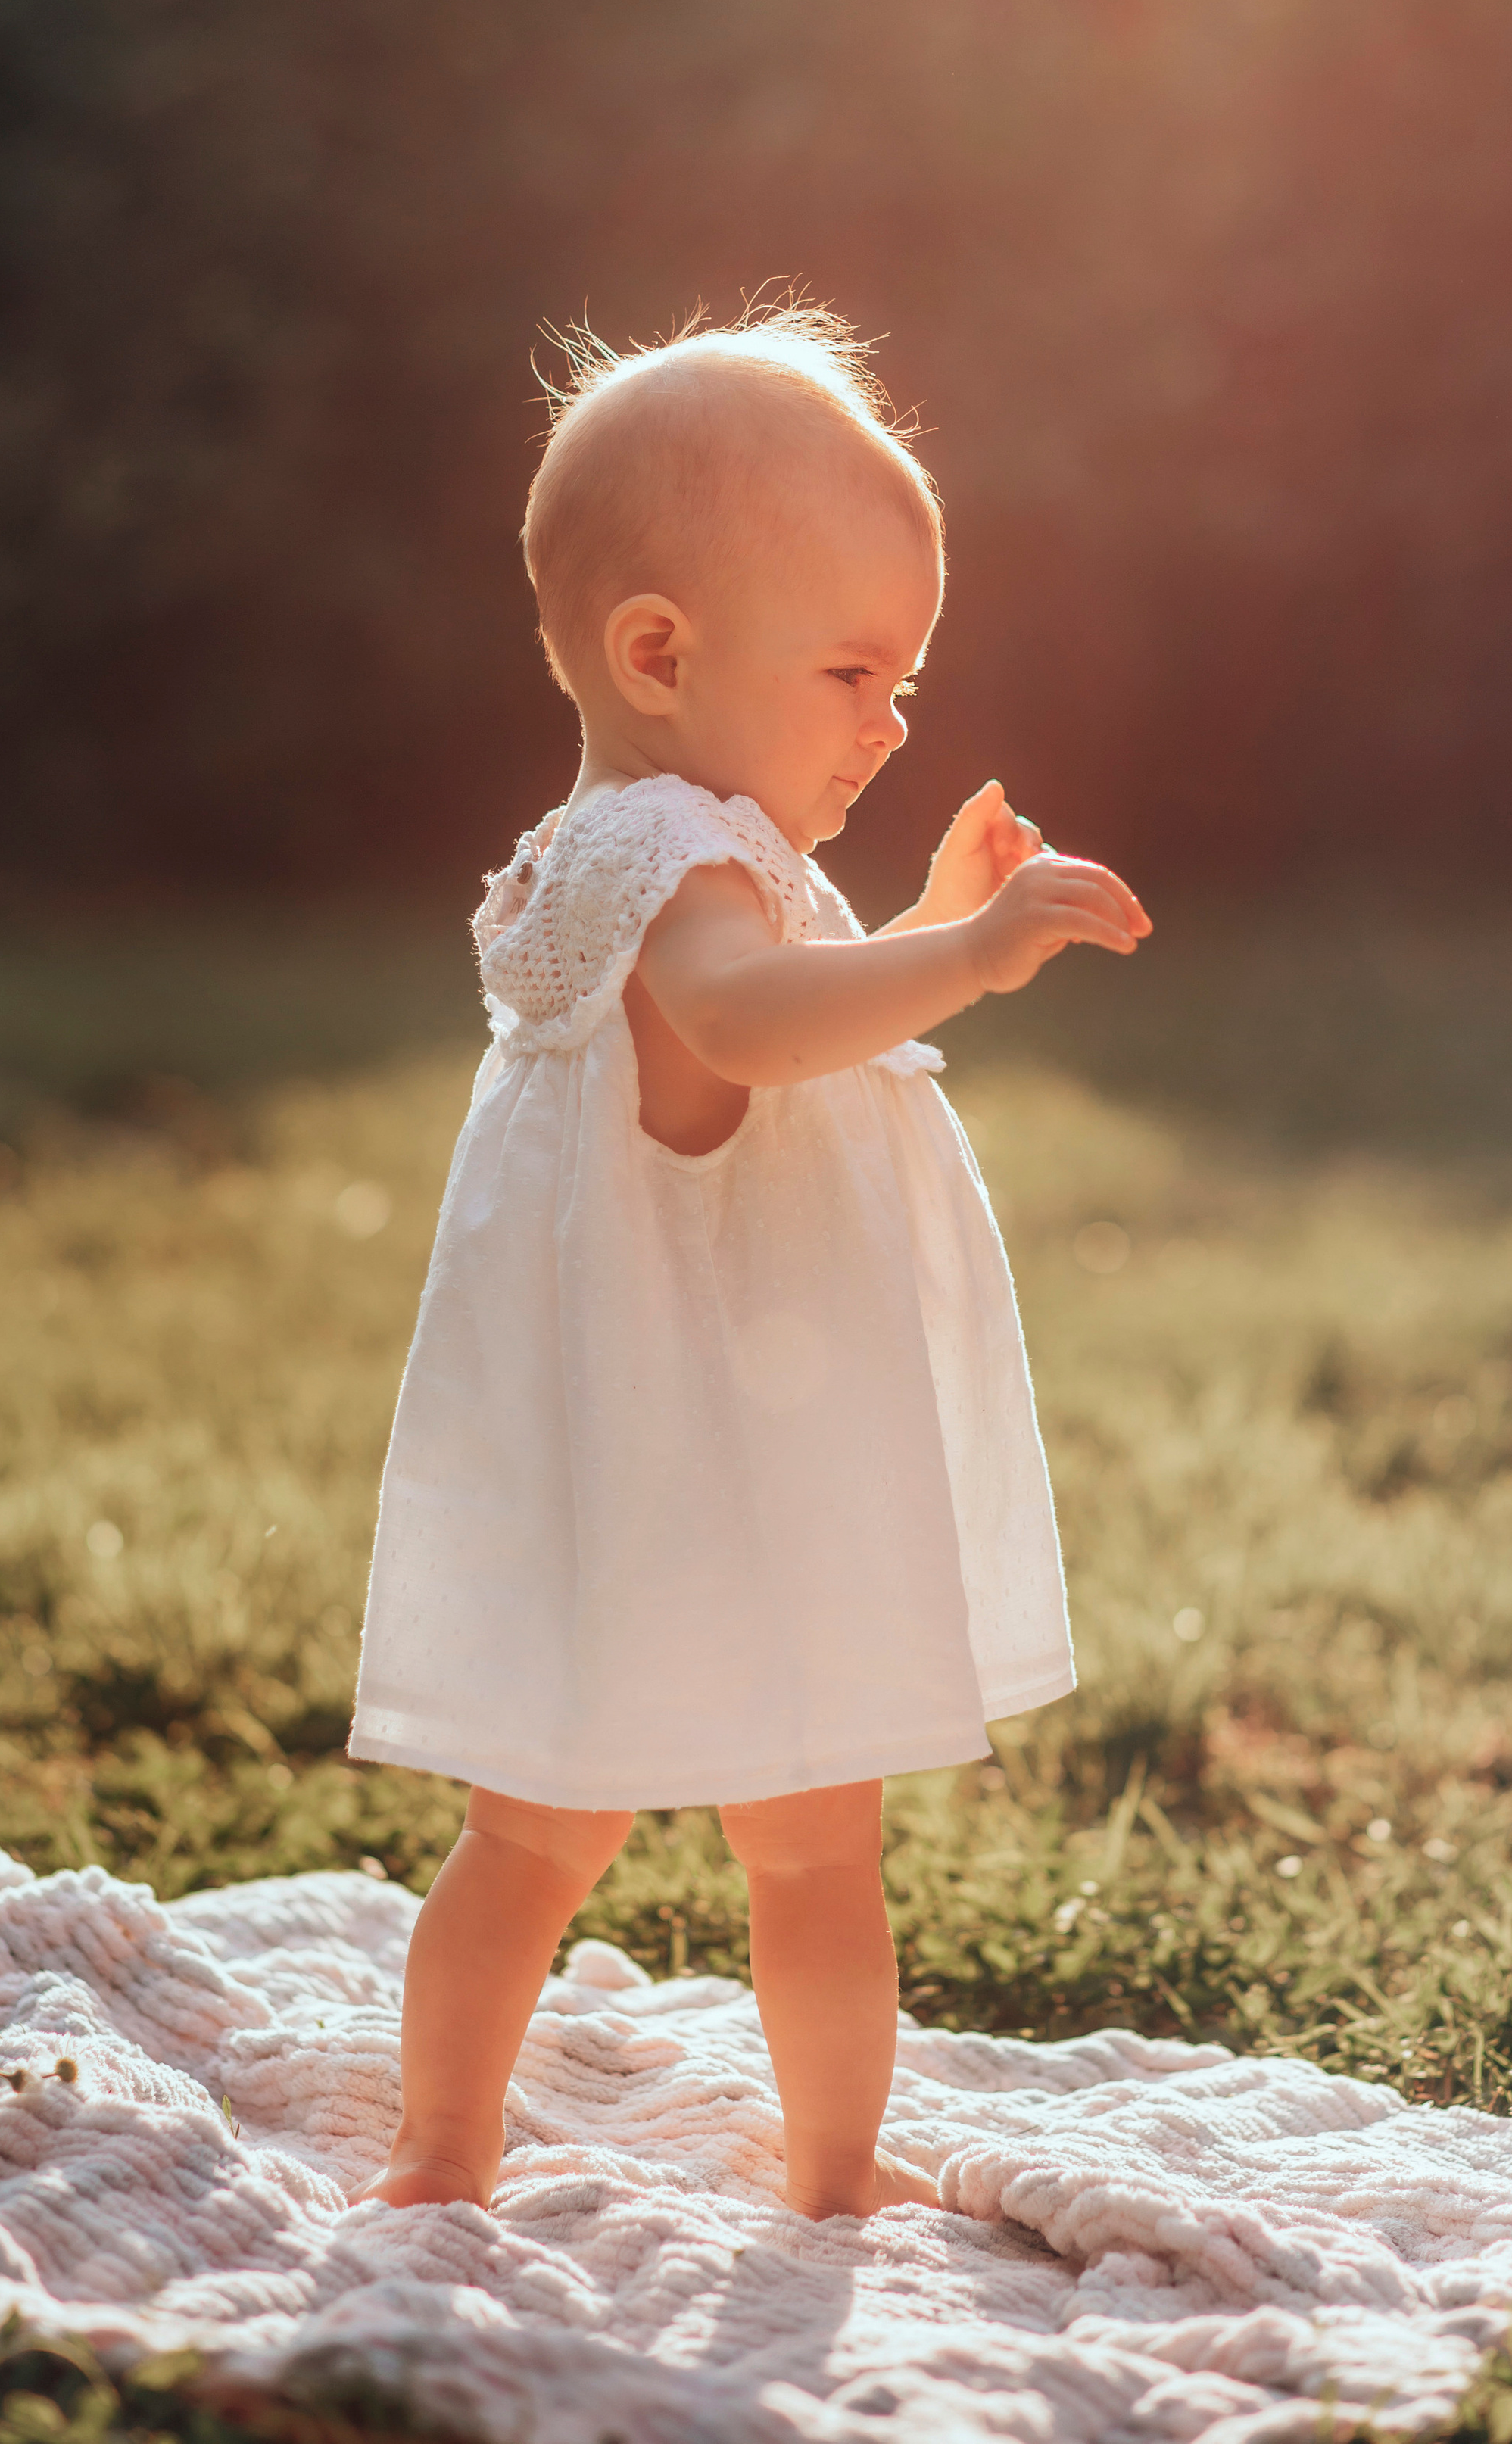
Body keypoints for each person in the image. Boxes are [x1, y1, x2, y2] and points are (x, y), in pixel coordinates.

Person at [347, 304, 1149, 2220]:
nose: (890, 719)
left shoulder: (697, 841)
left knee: (784, 1844)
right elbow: (748, 1025)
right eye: (854, 667)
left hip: (725, 1434)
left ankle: (833, 2163)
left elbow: (798, 998)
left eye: (907, 674)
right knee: (552, 1832)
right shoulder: (656, 859)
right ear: (657, 652)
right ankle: (443, 2151)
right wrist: (962, 959)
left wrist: (925, 919)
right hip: (653, 1449)